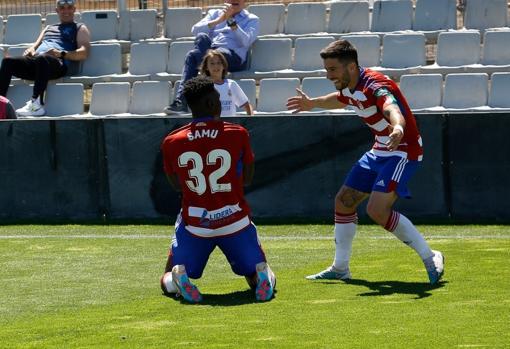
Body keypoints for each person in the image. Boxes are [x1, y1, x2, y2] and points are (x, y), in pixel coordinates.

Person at [286, 40, 445, 285]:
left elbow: (392, 108)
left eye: (332, 70)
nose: (328, 75)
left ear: (350, 67)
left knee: (376, 210)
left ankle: (430, 256)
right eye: (326, 70)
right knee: (344, 201)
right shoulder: (350, 85)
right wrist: (313, 104)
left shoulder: (376, 85)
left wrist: (399, 128)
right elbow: (340, 99)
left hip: (402, 149)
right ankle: (340, 268)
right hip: (381, 149)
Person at [159, 76, 275, 303]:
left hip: (196, 224)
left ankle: (177, 279)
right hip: (234, 219)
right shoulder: (237, 133)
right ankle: (262, 278)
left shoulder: (172, 140)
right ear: (212, 104)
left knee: (167, 275)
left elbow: (176, 185)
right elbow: (247, 179)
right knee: (255, 271)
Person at [164, 0, 259, 114]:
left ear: (244, 2)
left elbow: (246, 41)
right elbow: (195, 30)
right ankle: (181, 102)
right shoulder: (215, 13)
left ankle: (203, 72)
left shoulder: (252, 19)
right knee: (198, 45)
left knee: (212, 53)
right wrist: (218, 20)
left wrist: (231, 21)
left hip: (233, 56)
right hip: (212, 53)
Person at [0, 0, 90, 117]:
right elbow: (35, 46)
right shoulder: (48, 27)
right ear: (57, 10)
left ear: (74, 9)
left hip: (58, 65)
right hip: (39, 63)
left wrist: (60, 53)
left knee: (43, 58)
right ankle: (0, 103)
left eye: (69, 7)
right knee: (8, 61)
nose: (66, 11)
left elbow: (84, 53)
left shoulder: (80, 28)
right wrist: (31, 50)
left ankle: (35, 105)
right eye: (62, 8)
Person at [200, 49, 253, 116]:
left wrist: (251, 123)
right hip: (212, 125)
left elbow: (247, 105)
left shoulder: (232, 84)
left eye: (219, 63)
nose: (216, 66)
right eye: (212, 63)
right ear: (206, 67)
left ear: (224, 66)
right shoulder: (204, 87)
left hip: (230, 125)